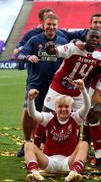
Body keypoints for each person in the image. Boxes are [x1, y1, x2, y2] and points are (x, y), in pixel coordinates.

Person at [17, 14, 68, 157]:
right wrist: (28, 57)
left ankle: (45, 144)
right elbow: (20, 56)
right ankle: (27, 142)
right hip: (36, 83)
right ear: (43, 25)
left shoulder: (63, 41)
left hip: (55, 86)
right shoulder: (34, 40)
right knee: (28, 112)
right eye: (48, 24)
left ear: (57, 26)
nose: (51, 27)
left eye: (54, 25)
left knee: (50, 116)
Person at [23, 79, 90, 182]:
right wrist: (31, 100)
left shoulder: (76, 118)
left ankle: (74, 172)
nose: (63, 109)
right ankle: (34, 173)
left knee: (84, 144)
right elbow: (33, 114)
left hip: (68, 161)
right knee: (28, 145)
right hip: (49, 161)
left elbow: (87, 106)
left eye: (66, 106)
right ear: (55, 108)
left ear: (71, 108)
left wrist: (83, 89)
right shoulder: (49, 117)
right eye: (60, 107)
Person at [43, 29, 101, 112]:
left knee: (80, 118)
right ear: (86, 37)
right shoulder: (73, 47)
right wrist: (50, 49)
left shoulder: (100, 55)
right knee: (47, 113)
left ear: (99, 40)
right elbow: (54, 51)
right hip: (59, 85)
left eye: (97, 37)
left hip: (76, 90)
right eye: (92, 36)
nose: (94, 39)